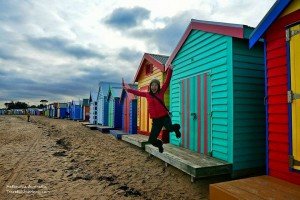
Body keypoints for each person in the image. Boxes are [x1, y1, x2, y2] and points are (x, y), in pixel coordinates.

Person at [123, 65, 181, 153]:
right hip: (156, 120)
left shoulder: (161, 92)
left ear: (158, 86)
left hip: (164, 117)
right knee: (152, 140)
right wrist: (128, 90)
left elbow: (167, 82)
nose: (154, 87)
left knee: (169, 128)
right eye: (152, 85)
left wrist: (170, 70)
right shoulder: (147, 94)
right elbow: (137, 92)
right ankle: (159, 144)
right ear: (150, 86)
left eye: (156, 85)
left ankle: (176, 128)